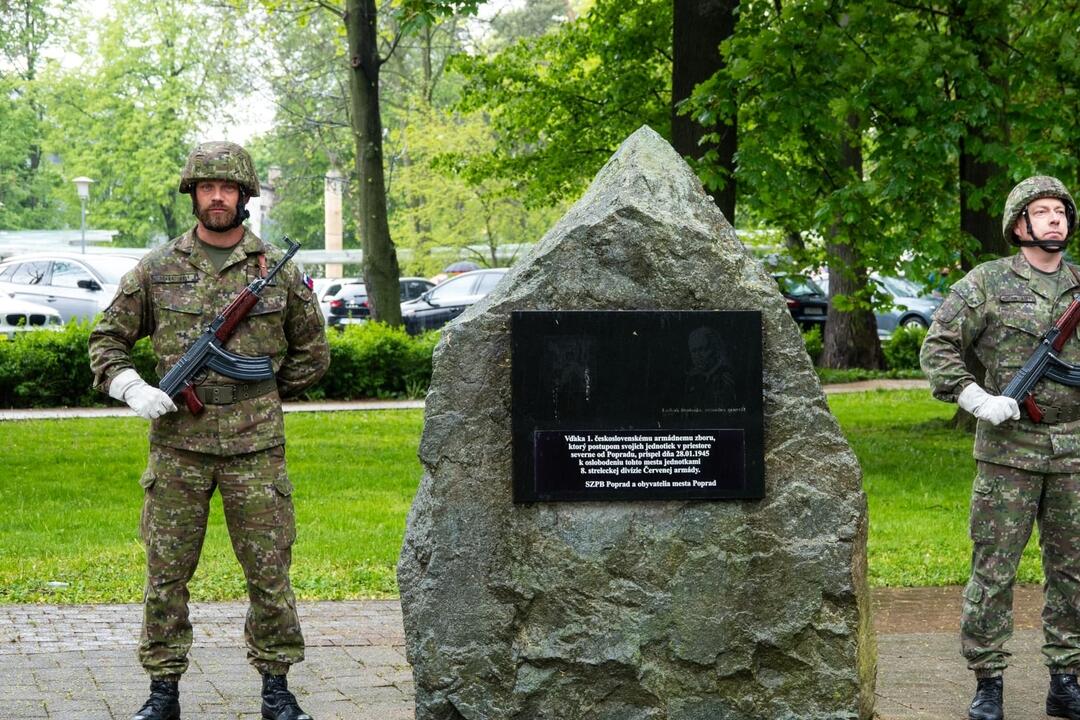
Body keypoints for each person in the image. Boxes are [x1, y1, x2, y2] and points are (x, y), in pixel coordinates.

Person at [88, 141, 330, 720]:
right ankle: (162, 691)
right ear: (193, 194)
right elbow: (107, 342)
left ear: (244, 196)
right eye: (206, 187)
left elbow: (312, 354)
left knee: (270, 572)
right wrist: (132, 388)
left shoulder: (276, 269)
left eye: (227, 188)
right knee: (166, 573)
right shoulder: (157, 268)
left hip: (255, 448)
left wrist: (257, 393)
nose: (216, 197)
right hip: (178, 447)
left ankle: (277, 688)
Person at [921, 175, 1080, 720]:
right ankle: (988, 680)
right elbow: (938, 346)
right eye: (1043, 210)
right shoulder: (985, 283)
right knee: (994, 568)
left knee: (1074, 569)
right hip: (1007, 451)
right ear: (1019, 224)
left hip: (1075, 453)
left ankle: (1066, 677)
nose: (1055, 217)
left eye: (1061, 210)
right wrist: (973, 396)